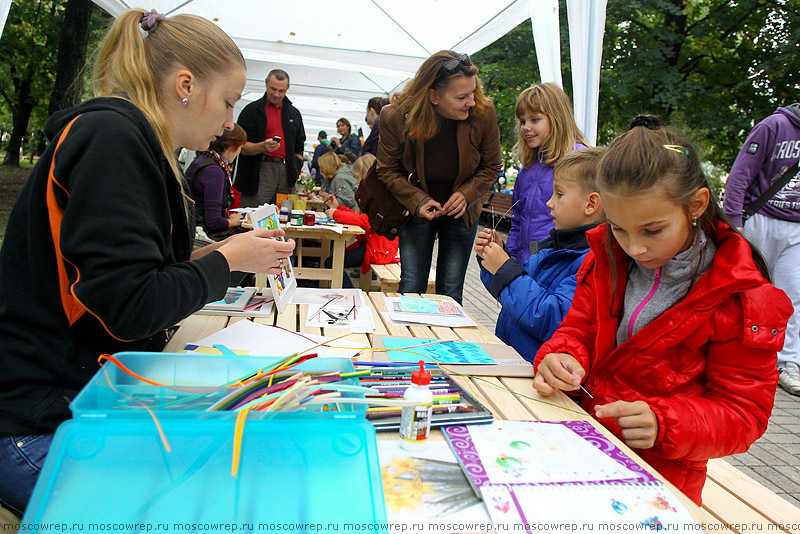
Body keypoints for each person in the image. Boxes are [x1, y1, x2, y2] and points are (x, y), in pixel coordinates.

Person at [0, 9, 296, 517]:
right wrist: (226, 259)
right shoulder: (113, 141)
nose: (231, 121)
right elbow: (131, 305)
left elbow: (133, 277)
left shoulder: (131, 142)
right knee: (216, 504)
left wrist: (222, 258)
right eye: (227, 101)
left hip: (77, 405)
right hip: (41, 425)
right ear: (186, 84)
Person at [532, 117, 792, 505]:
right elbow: (580, 328)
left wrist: (665, 422)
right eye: (619, 228)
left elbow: (744, 413)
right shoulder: (608, 255)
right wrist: (564, 355)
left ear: (696, 205)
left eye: (652, 231)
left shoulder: (740, 297)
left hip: (662, 485)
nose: (635, 248)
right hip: (582, 449)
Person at [377, 50, 501, 303]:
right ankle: (404, 342)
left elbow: (492, 165)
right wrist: (418, 200)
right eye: (462, 97)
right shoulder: (395, 117)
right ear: (433, 96)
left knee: (451, 291)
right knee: (411, 285)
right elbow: (386, 170)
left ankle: (447, 344)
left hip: (461, 212)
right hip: (416, 211)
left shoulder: (483, 113)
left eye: (473, 92)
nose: (472, 102)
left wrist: (466, 194)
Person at [475, 147, 606, 362]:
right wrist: (494, 259)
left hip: (539, 372)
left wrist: (504, 268)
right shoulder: (553, 247)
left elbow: (553, 319)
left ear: (590, 204)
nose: (549, 203)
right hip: (515, 359)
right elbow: (518, 295)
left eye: (559, 194)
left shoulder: (591, 262)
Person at [723, 103, 800, 396]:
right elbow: (742, 172)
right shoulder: (775, 126)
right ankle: (735, 353)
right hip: (762, 218)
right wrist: (734, 219)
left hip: (797, 225)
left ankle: (787, 361)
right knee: (748, 290)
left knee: (792, 296)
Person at [507, 83, 588, 264]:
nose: (526, 127)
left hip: (561, 262)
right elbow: (518, 218)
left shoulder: (580, 161)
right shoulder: (528, 167)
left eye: (534, 120)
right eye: (522, 121)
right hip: (527, 262)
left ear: (557, 118)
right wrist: (510, 255)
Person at [324, 153, 399, 287]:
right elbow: (360, 218)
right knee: (335, 259)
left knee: (333, 262)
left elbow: (365, 221)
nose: (355, 181)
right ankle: (350, 293)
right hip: (376, 246)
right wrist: (338, 208)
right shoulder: (378, 194)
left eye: (357, 177)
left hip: (378, 250)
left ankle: (351, 294)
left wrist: (336, 213)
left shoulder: (378, 196)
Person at [236, 69, 306, 206]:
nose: (276, 94)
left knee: (285, 214)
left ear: (287, 89)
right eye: (273, 89)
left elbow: (300, 143)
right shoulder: (251, 111)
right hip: (259, 170)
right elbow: (240, 146)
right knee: (254, 212)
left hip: (287, 170)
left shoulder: (294, 114)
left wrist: (296, 164)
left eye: (281, 91)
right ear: (266, 84)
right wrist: (262, 146)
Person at [186, 124, 247, 239]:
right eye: (240, 148)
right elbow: (214, 222)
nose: (239, 152)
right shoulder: (214, 172)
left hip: (194, 225)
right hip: (204, 233)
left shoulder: (203, 160)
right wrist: (235, 221)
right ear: (231, 146)